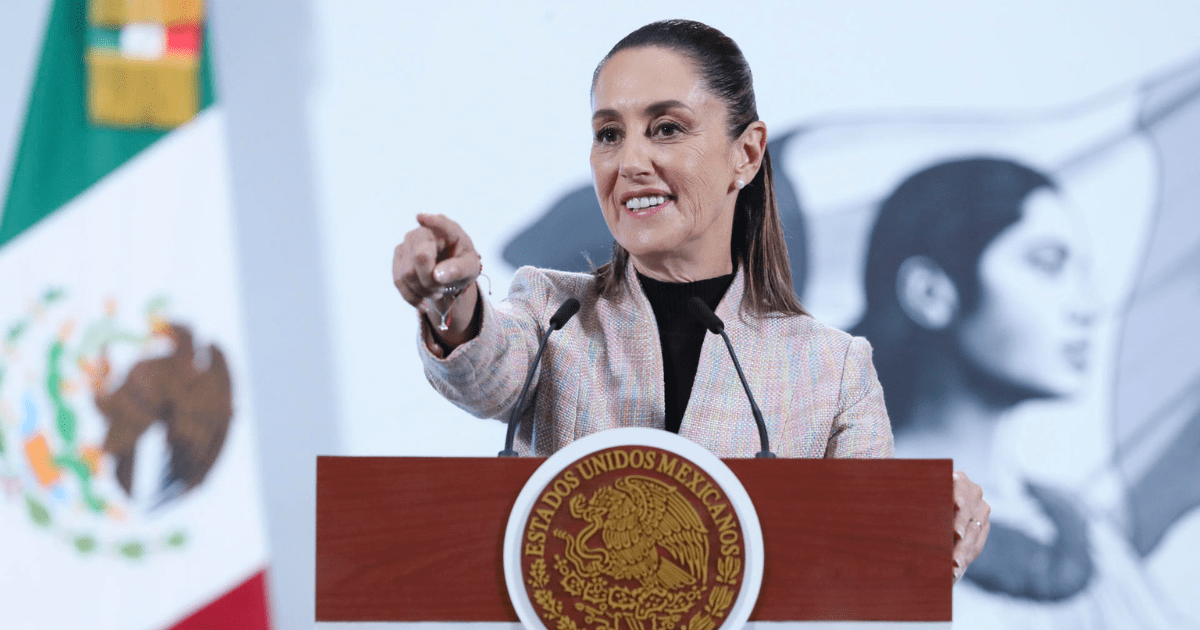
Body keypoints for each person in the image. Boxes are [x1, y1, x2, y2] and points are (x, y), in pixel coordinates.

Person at [391, 19, 989, 578]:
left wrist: (929, 531)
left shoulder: (833, 371)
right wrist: (450, 301)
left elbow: (868, 563)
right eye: (609, 134)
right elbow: (487, 369)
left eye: (667, 129)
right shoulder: (552, 314)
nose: (630, 162)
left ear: (745, 154)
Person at [853, 158, 1192, 628]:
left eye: (1082, 271)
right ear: (930, 292)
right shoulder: (837, 522)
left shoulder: (1084, 533)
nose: (1088, 306)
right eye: (1047, 264)